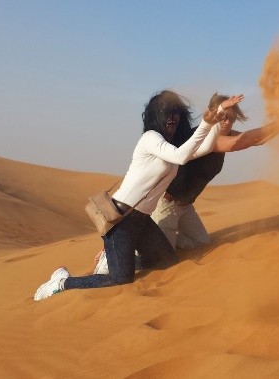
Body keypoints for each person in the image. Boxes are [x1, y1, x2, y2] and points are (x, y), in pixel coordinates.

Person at [33, 90, 243, 301]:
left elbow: (203, 148)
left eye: (176, 113)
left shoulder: (169, 147)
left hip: (142, 220)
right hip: (121, 220)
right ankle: (62, 282)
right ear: (155, 115)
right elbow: (181, 157)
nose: (172, 118)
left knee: (167, 261)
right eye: (166, 113)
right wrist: (207, 122)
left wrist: (217, 118)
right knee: (120, 279)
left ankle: (117, 259)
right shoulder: (150, 139)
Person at [91, 93, 279, 274]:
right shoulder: (205, 137)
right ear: (214, 114)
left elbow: (257, 139)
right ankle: (113, 256)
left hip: (186, 206)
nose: (226, 122)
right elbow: (239, 142)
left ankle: (163, 242)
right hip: (167, 204)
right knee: (160, 260)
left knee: (201, 243)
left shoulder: (224, 134)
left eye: (231, 118)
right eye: (223, 116)